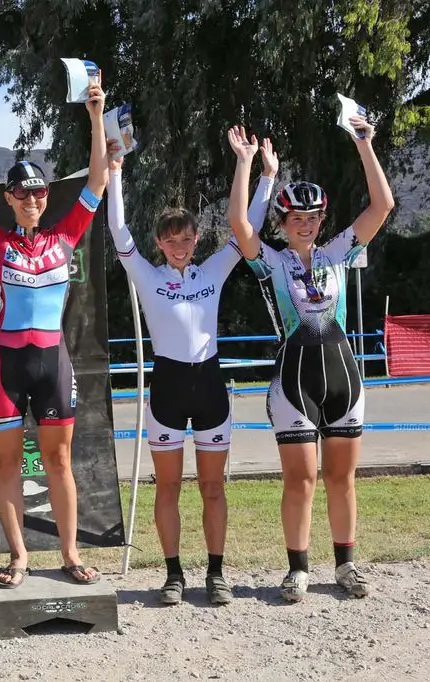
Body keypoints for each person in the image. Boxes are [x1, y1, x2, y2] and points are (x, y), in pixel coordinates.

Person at [105, 132, 277, 605]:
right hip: (168, 387)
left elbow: (246, 230)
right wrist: (115, 173)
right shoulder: (147, 275)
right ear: (159, 243)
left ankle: (216, 574)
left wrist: (262, 174)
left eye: (186, 239)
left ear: (197, 240)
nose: (179, 247)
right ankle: (173, 574)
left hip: (209, 386)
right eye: (171, 240)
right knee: (167, 488)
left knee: (212, 487)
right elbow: (119, 233)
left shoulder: (213, 271)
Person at [227, 118, 394, 602]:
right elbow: (239, 224)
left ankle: (345, 564)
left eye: (314, 216)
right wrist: (247, 166)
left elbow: (382, 206)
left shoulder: (339, 251)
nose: (306, 222)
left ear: (323, 220)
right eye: (296, 217)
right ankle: (297, 568)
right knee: (299, 479)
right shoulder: (271, 263)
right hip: (293, 384)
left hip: (345, 379)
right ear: (281, 223)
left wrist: (364, 144)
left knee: (342, 478)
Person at [0, 78, 107, 587]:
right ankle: (18, 555)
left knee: (60, 460)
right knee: (8, 462)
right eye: (23, 191)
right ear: (10, 197)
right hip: (6, 364)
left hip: (53, 362)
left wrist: (96, 115)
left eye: (39, 190)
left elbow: (99, 182)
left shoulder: (66, 235)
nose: (33, 198)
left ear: (45, 195)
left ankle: (69, 552)